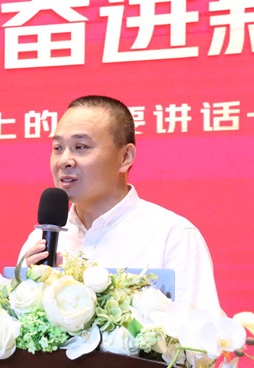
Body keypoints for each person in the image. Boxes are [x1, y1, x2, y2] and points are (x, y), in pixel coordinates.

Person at [18, 95, 220, 311]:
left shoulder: (172, 236)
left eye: (80, 147)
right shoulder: (40, 242)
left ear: (125, 157)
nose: (64, 161)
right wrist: (26, 287)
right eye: (58, 148)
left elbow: (202, 327)